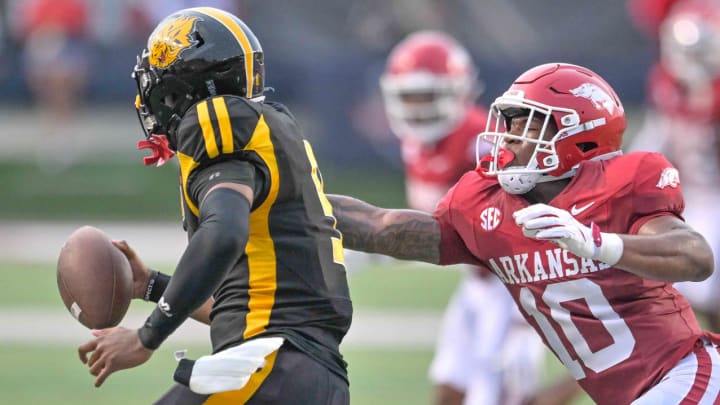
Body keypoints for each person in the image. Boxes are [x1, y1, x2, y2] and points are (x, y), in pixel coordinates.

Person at [328, 62, 720, 404]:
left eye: (527, 123)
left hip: (687, 375)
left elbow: (696, 257)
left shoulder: (622, 182)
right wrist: (290, 196)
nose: (509, 137)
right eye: (508, 122)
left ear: (579, 133)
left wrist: (597, 244)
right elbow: (384, 228)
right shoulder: (486, 205)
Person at [76, 7, 353, 404]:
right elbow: (240, 305)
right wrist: (152, 285)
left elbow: (223, 233)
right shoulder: (272, 132)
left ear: (183, 87)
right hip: (310, 375)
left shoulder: (217, 120)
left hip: (273, 365)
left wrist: (146, 336)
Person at [379, 30, 580, 405]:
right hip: (478, 281)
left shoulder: (484, 144)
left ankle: (591, 380)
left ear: (456, 91)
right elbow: (433, 221)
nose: (418, 108)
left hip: (515, 280)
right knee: (449, 391)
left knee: (500, 398)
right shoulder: (415, 144)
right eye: (410, 97)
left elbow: (540, 206)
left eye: (427, 96)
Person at [630, 0, 720, 332]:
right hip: (690, 193)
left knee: (698, 287)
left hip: (713, 192)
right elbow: (662, 133)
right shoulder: (665, 79)